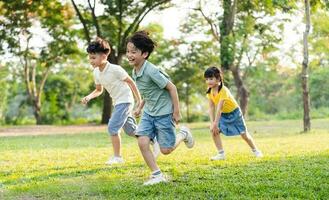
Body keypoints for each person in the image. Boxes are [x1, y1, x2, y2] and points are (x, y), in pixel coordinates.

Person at [126, 31, 195, 185]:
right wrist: (139, 107)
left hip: (164, 113)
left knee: (166, 150)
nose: (129, 55)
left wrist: (176, 111)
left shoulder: (151, 71)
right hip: (149, 113)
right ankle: (157, 175)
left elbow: (172, 88)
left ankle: (183, 134)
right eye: (128, 51)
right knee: (142, 142)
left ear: (144, 54)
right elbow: (148, 93)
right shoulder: (135, 70)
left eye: (133, 52)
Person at [81, 37, 159, 165]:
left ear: (105, 55)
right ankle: (153, 138)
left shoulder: (115, 69)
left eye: (93, 57)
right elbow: (99, 90)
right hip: (117, 102)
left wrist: (139, 101)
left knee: (112, 128)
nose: (91, 61)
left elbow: (131, 83)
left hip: (125, 100)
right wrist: (89, 97)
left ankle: (118, 157)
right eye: (89, 57)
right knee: (131, 131)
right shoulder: (96, 73)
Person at [204, 66, 263, 160]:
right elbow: (211, 107)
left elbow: (219, 108)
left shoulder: (223, 90)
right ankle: (221, 154)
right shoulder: (209, 91)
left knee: (244, 134)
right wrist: (212, 123)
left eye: (211, 78)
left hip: (234, 113)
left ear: (218, 78)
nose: (208, 81)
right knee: (214, 130)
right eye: (206, 79)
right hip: (223, 115)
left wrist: (215, 123)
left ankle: (256, 151)